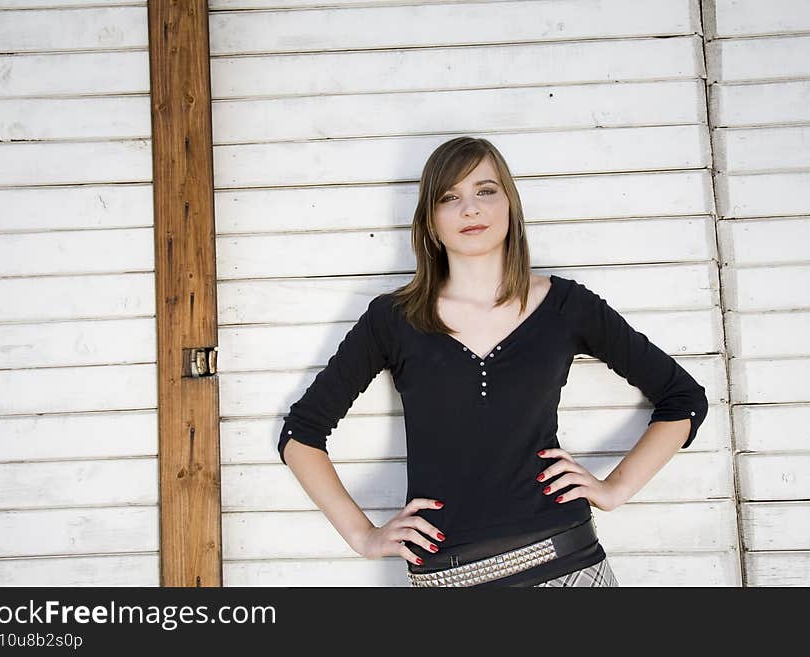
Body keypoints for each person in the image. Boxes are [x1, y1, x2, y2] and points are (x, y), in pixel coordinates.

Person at [277, 136, 709, 587]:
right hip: (448, 580)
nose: (470, 209)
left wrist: (615, 488)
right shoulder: (393, 320)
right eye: (450, 197)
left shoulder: (565, 306)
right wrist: (363, 536)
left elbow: (683, 400)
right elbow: (300, 434)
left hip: (568, 565)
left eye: (486, 190)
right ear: (430, 220)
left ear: (509, 205)